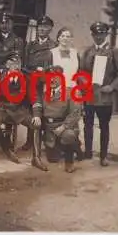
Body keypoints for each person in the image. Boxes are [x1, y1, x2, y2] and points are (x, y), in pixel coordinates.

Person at [79, 22, 118, 167]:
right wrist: (83, 82)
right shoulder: (88, 51)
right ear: (92, 35)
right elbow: (81, 71)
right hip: (89, 95)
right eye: (95, 34)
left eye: (101, 34)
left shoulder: (114, 52)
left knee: (104, 126)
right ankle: (88, 152)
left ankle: (103, 156)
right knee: (87, 124)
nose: (98, 37)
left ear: (106, 34)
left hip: (104, 96)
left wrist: (112, 86)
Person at [0, 52, 44, 167]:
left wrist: (37, 115)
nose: (16, 66)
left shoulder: (26, 77)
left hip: (18, 110)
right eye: (13, 63)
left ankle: (36, 158)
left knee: (36, 124)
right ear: (7, 65)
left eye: (18, 63)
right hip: (2, 108)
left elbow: (34, 96)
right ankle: (7, 149)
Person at [22, 15, 57, 154]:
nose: (42, 29)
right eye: (40, 27)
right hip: (31, 82)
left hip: (45, 84)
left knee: (45, 111)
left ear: (50, 29)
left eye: (45, 27)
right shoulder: (30, 45)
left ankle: (44, 142)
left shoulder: (54, 46)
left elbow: (54, 68)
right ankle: (30, 141)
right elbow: (24, 65)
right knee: (31, 112)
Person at [41, 65, 84, 173]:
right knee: (52, 159)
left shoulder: (71, 93)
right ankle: (68, 145)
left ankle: (69, 162)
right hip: (50, 128)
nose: (52, 80)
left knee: (68, 135)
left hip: (64, 126)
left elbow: (75, 114)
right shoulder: (45, 94)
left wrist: (64, 127)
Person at [51, 27, 84, 160]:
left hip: (73, 89)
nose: (65, 38)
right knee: (60, 117)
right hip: (58, 90)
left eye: (68, 36)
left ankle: (76, 147)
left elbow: (79, 73)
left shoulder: (75, 53)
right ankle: (61, 147)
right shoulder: (51, 53)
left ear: (71, 39)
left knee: (73, 120)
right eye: (63, 36)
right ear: (58, 38)